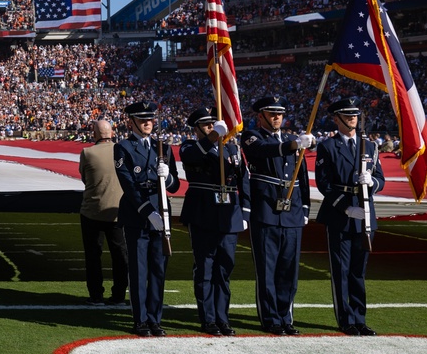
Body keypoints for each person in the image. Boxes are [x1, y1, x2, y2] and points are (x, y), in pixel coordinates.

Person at [241, 95, 312, 336]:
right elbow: (262, 151)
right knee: (267, 269)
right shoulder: (252, 136)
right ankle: (270, 318)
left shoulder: (293, 139)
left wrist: (305, 208)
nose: (276, 117)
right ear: (260, 116)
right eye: (271, 113)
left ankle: (286, 316)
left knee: (288, 269)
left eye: (279, 113)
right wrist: (295, 145)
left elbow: (301, 176)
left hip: (291, 211)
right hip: (266, 210)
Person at [314, 97, 385, 336]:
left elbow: (381, 180)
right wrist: (345, 207)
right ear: (337, 119)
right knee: (341, 269)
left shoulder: (371, 146)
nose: (353, 118)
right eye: (347, 114)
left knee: (358, 271)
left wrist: (372, 182)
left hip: (365, 212)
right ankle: (346, 320)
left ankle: (360, 318)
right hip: (340, 213)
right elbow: (324, 184)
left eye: (355, 114)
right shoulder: (328, 146)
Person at [179, 107, 250, 337]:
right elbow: (192, 158)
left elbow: (243, 180)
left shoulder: (232, 148)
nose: (212, 128)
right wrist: (212, 138)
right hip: (203, 213)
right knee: (205, 268)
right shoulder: (189, 146)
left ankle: (223, 317)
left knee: (224, 268)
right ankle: (208, 319)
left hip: (229, 214)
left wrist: (246, 212)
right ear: (197, 128)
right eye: (207, 125)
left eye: (214, 125)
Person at [114, 100, 180, 337]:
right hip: (138, 216)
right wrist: (148, 213)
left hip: (162, 213)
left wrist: (169, 177)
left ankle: (155, 319)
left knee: (158, 271)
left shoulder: (162, 146)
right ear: (131, 122)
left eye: (150, 119)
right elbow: (129, 185)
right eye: (142, 120)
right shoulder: (123, 147)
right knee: (139, 270)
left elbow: (175, 186)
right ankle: (140, 320)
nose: (148, 123)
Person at [78, 119, 129, 306]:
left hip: (92, 210)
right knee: (120, 255)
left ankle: (96, 295)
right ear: (112, 133)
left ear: (95, 134)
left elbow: (85, 178)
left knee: (93, 256)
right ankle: (119, 295)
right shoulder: (122, 150)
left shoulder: (88, 153)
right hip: (118, 211)